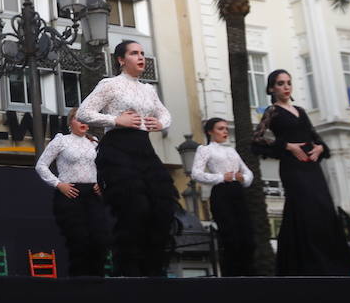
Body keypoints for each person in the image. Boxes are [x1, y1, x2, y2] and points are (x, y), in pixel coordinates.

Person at [75, 40, 177, 277]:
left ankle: (152, 269)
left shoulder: (148, 89)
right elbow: (84, 112)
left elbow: (164, 113)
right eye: (134, 53)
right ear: (121, 60)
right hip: (117, 149)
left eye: (142, 53)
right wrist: (115, 120)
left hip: (144, 149)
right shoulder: (110, 84)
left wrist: (161, 123)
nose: (141, 57)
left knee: (162, 207)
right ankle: (128, 271)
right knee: (135, 208)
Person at [252, 69, 350, 277]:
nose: (286, 87)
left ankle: (331, 266)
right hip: (293, 168)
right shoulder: (271, 111)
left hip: (312, 166)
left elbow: (314, 136)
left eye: (288, 82)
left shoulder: (300, 110)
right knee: (303, 208)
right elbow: (257, 140)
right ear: (272, 88)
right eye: (281, 83)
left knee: (323, 207)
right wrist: (288, 146)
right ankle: (305, 266)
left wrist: (319, 147)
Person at [33, 109, 107, 277]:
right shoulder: (62, 141)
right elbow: (41, 165)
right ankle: (79, 281)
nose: (83, 122)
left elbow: (103, 167)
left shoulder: (94, 142)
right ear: (70, 122)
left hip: (93, 195)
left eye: (85, 120)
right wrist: (59, 184)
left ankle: (98, 280)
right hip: (71, 194)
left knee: (100, 237)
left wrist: (101, 183)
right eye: (78, 119)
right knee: (79, 239)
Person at [191, 118, 255, 277]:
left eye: (226, 128)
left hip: (238, 192)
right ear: (210, 131)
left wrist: (243, 179)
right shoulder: (205, 149)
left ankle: (247, 274)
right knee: (230, 236)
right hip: (221, 193)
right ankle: (231, 275)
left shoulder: (232, 151)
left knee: (247, 236)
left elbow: (249, 173)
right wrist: (220, 177)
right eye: (220, 128)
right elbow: (196, 173)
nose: (225, 131)